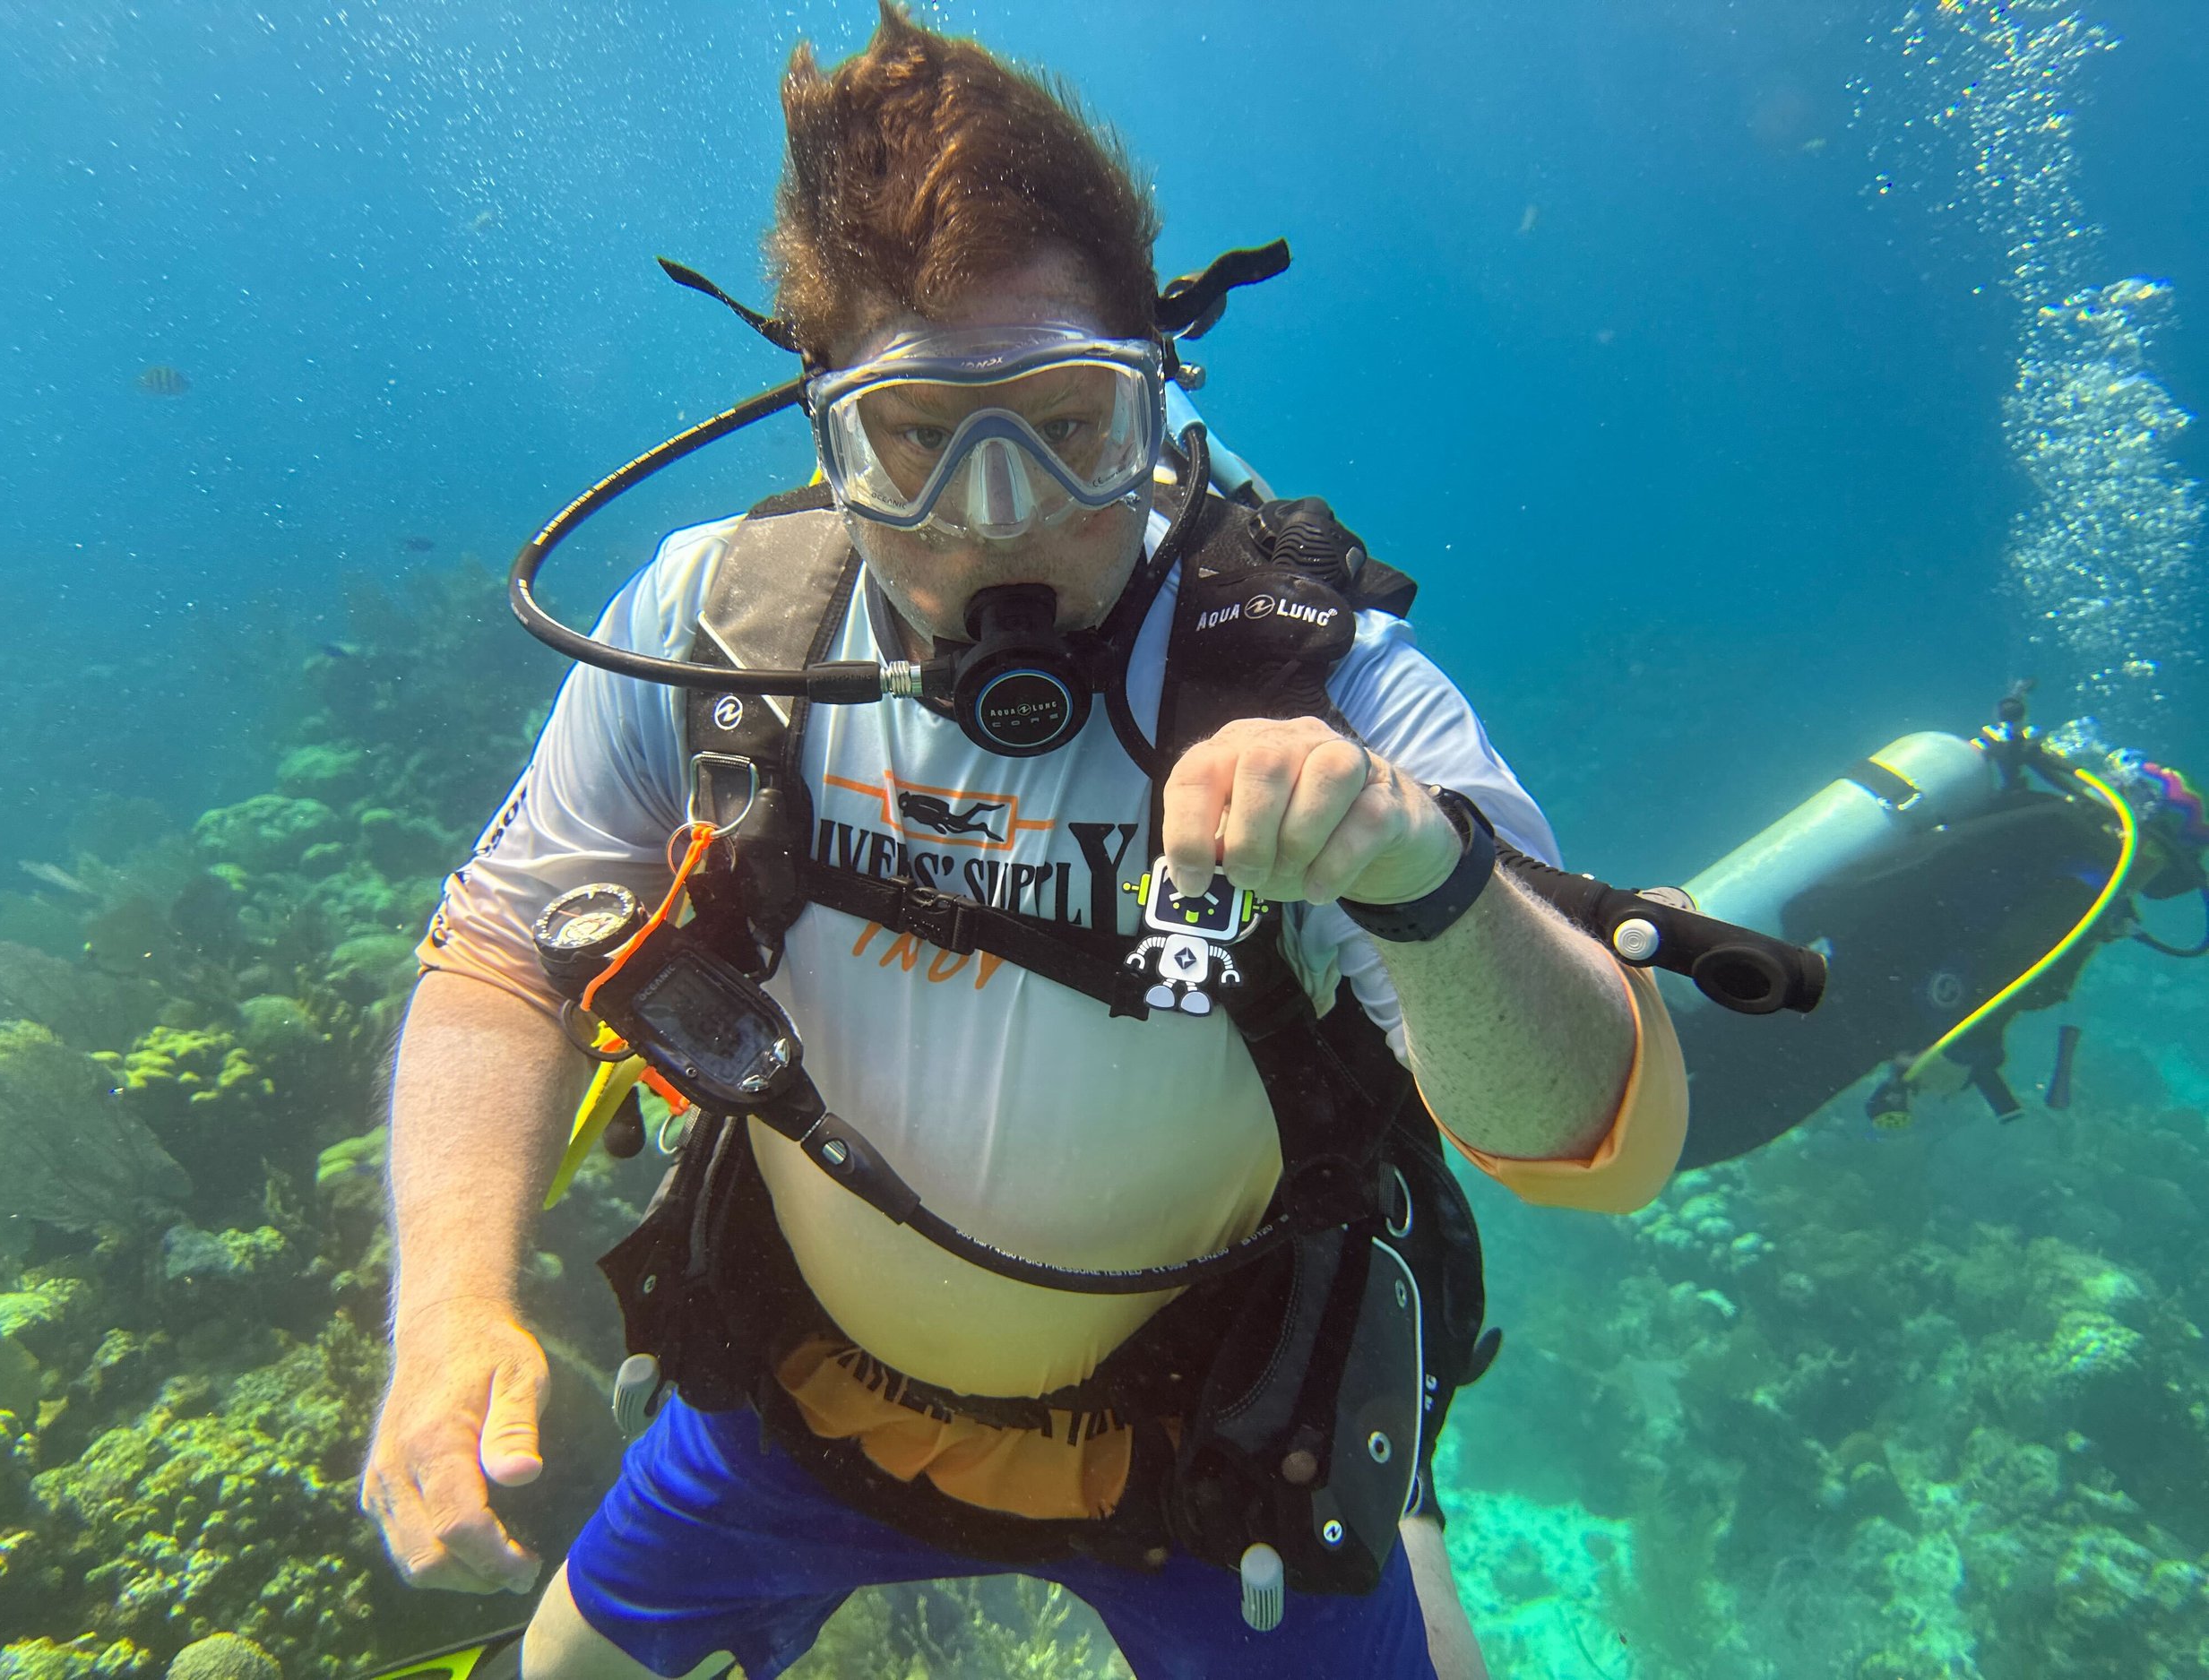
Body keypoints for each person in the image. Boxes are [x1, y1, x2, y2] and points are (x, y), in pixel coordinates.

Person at [359, 9, 1689, 1678]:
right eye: (918, 436)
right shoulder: (719, 629)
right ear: (824, 427)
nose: (1005, 518)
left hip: (1224, 1442)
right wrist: (451, 1313)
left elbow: (1601, 1145)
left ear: (1158, 397)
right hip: (789, 1393)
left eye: (1070, 423)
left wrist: (1422, 879)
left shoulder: (1317, 680)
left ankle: (1401, 1528)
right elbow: (496, 955)